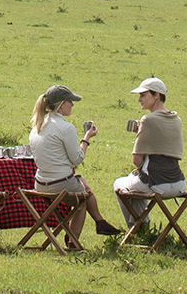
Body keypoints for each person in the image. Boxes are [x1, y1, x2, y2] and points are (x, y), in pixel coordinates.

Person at [26, 83, 119, 249]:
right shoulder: (65, 128)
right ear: (61, 105)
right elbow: (77, 159)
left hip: (40, 183)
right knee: (82, 198)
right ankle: (73, 241)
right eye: (70, 101)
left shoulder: (37, 126)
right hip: (59, 183)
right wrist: (87, 138)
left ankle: (100, 222)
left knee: (81, 181)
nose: (73, 105)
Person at [113, 77, 187, 230]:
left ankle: (136, 229)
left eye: (143, 95)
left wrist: (140, 133)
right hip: (178, 182)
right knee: (136, 186)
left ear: (156, 95)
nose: (139, 99)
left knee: (120, 184)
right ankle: (141, 228)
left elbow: (137, 161)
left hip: (157, 184)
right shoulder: (176, 119)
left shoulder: (148, 120)